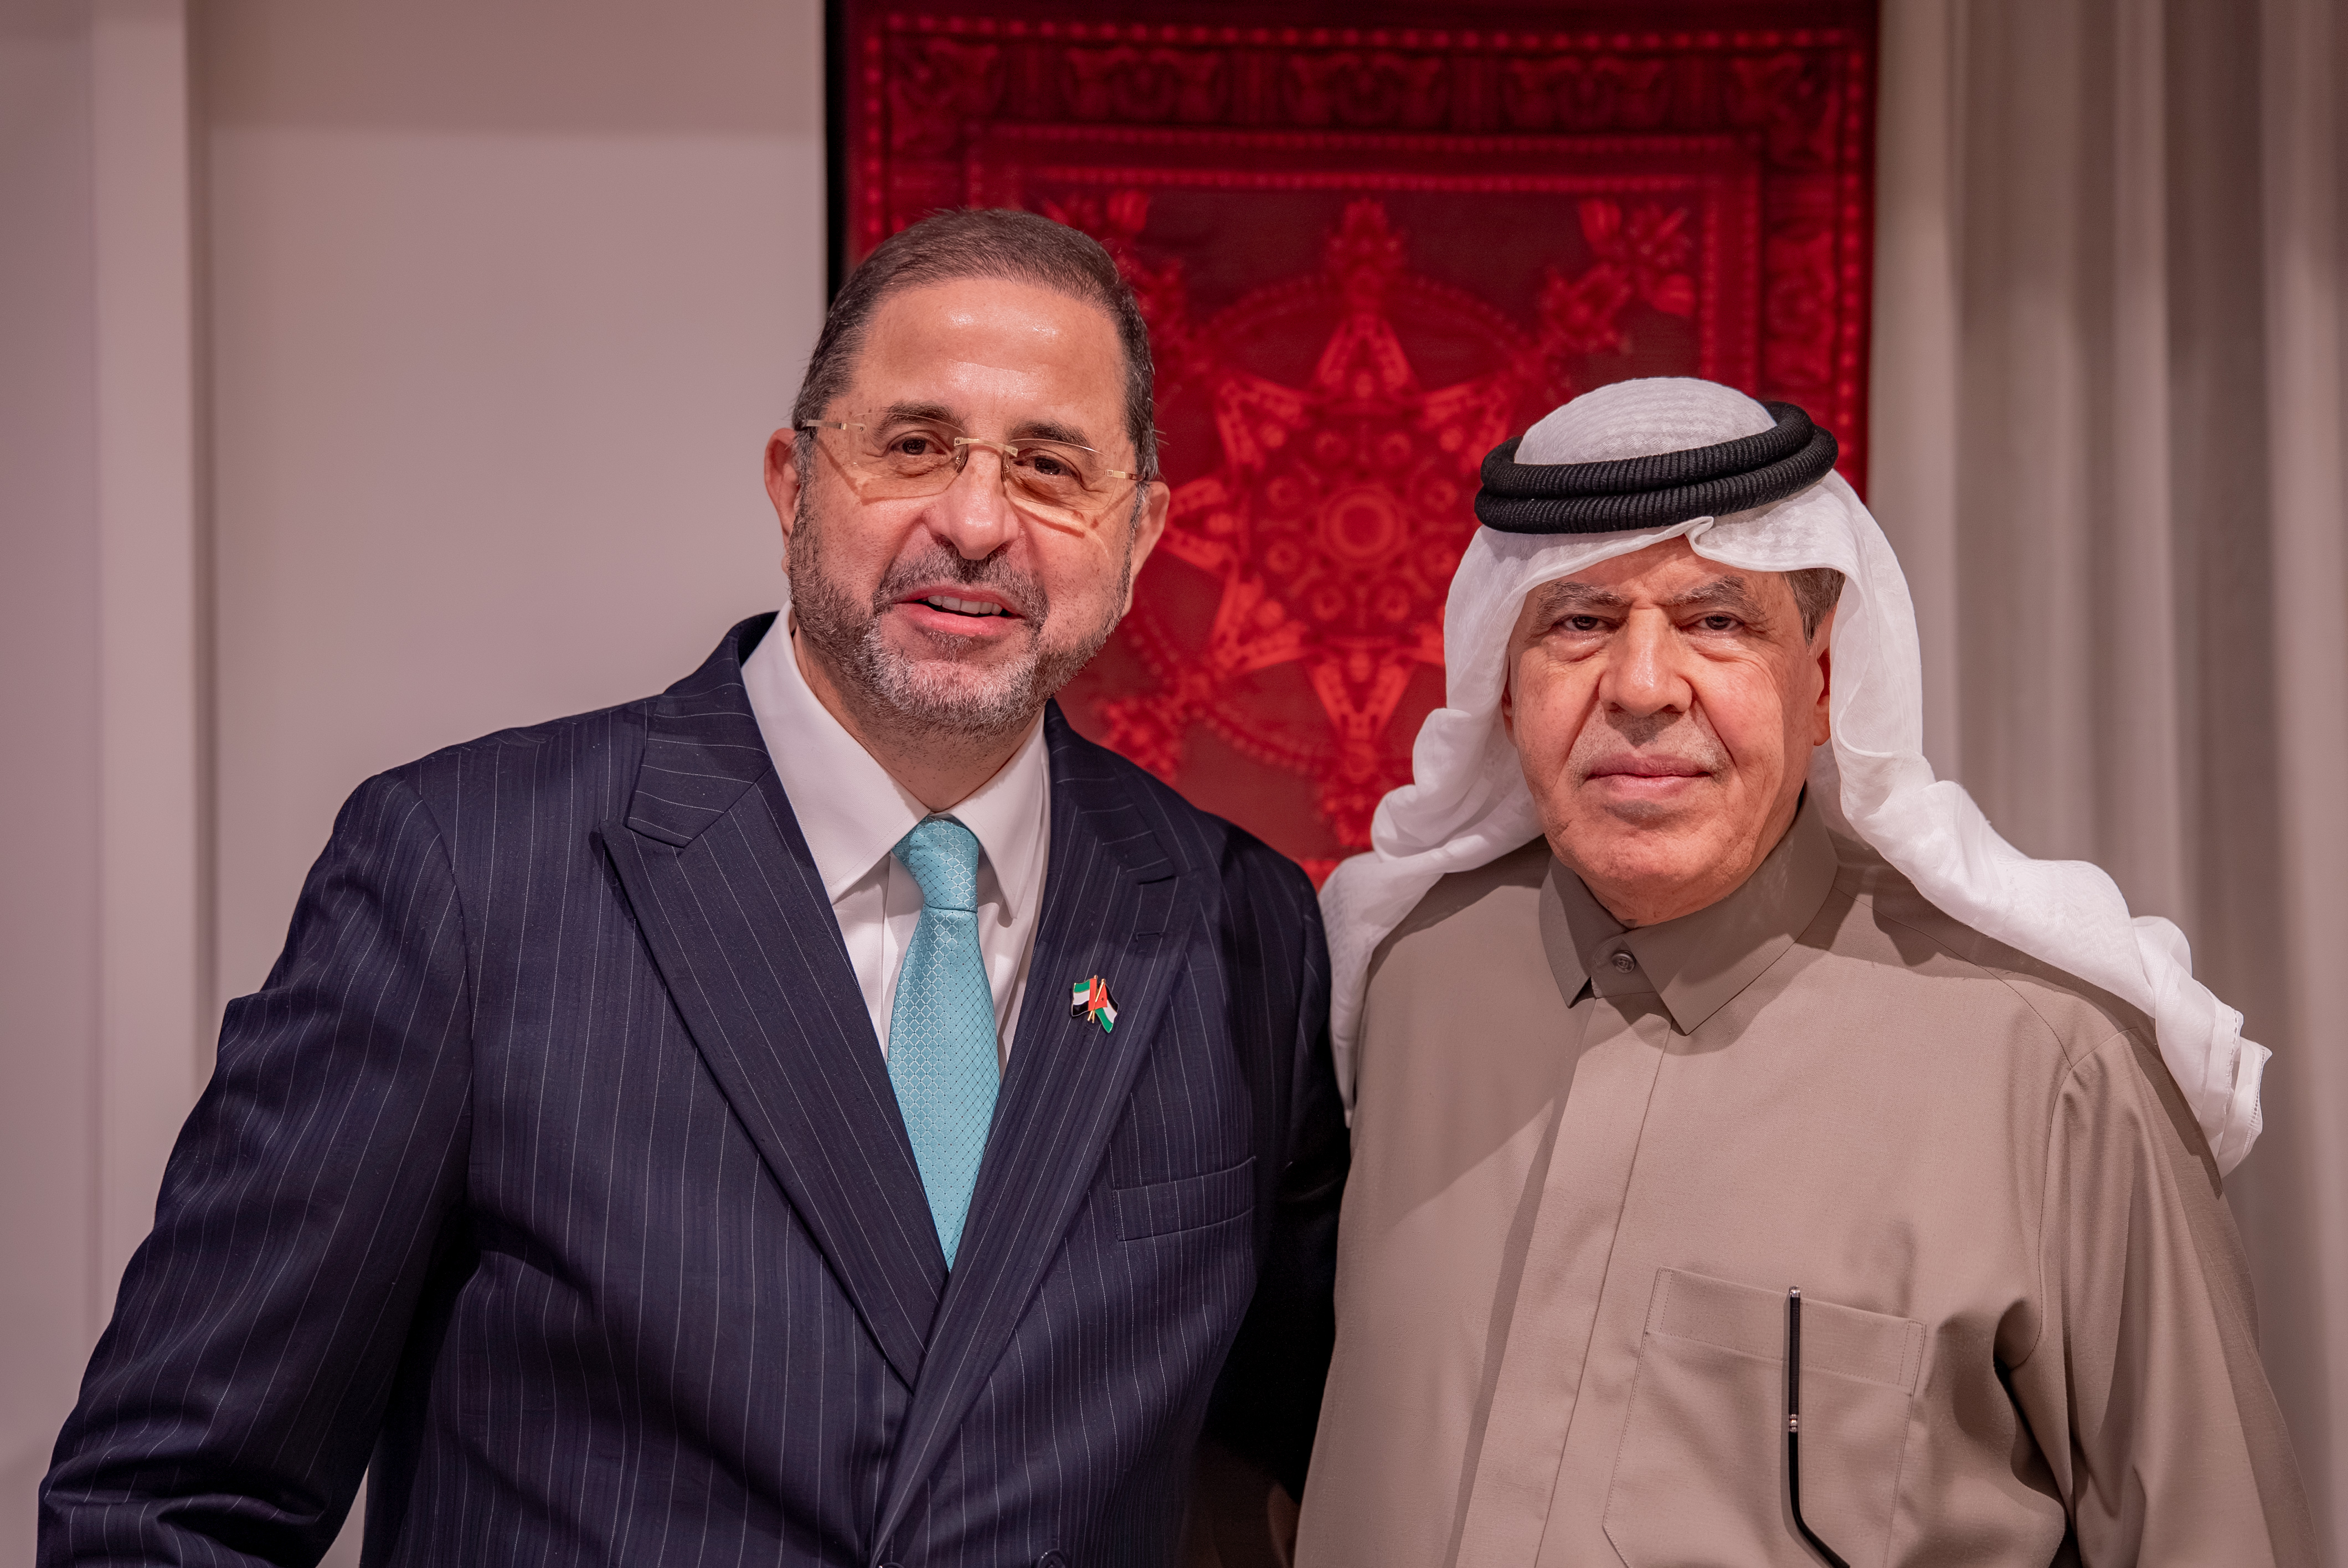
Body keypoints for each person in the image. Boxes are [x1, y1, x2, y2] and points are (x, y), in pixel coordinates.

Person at [43, 209, 1346, 1568]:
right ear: (792, 484)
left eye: (1050, 468)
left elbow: (1329, 1447)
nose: (974, 522)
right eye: (912, 445)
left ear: (1138, 533)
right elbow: (171, 1504)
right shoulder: (467, 874)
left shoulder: (1239, 927)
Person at [1294, 377, 2314, 1566]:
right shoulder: (1399, 983)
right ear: (1505, 690)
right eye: (1577, 622)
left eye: (1717, 620)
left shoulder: (2051, 1073)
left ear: (1822, 681)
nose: (1640, 686)